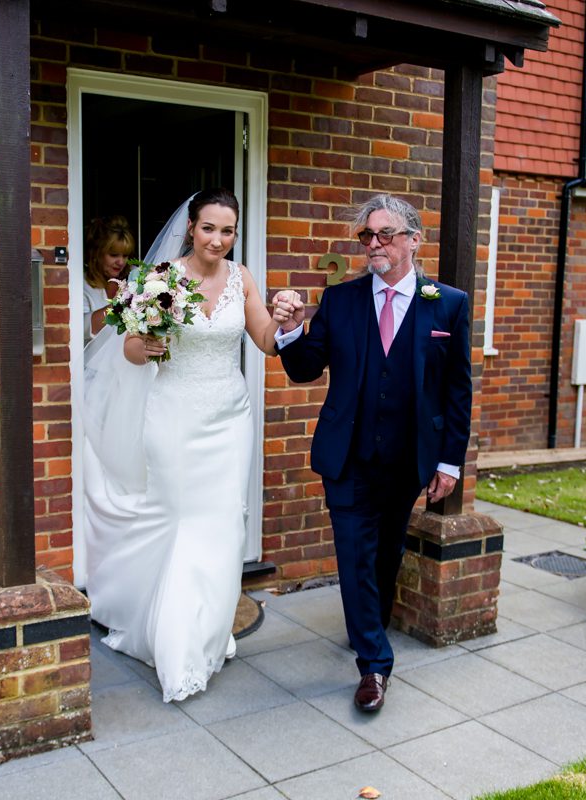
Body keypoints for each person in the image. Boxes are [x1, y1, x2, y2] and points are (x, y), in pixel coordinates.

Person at [83, 188, 297, 703]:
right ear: (191, 228)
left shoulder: (241, 278)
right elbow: (131, 348)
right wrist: (147, 345)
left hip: (228, 419)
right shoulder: (159, 279)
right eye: (209, 229)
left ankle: (208, 632)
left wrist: (288, 321)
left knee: (222, 523)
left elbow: (265, 341)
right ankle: (176, 646)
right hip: (174, 415)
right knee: (179, 519)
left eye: (228, 231)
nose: (218, 240)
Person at [274, 194, 472, 713]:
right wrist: (292, 328)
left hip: (409, 459)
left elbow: (457, 390)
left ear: (413, 239)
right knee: (355, 555)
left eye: (385, 234)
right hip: (348, 456)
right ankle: (374, 664)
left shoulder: (447, 303)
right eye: (367, 236)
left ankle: (367, 627)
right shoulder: (341, 300)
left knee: (386, 555)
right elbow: (303, 369)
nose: (374, 245)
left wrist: (450, 462)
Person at [82, 215, 135, 343]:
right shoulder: (82, 283)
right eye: (114, 255)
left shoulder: (136, 276)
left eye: (125, 255)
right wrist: (119, 305)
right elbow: (82, 328)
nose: (121, 262)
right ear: (97, 253)